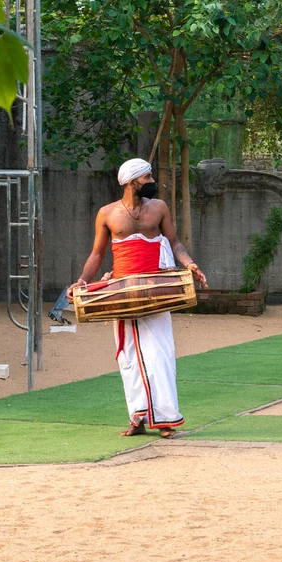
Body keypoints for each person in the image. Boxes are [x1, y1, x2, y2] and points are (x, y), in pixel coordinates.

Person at [66, 158, 207, 438]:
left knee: (160, 355)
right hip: (123, 292)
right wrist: (82, 281)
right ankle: (138, 418)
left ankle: (165, 419)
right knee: (129, 358)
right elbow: (97, 255)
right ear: (133, 182)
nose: (153, 181)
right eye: (148, 177)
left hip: (155, 291)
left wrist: (189, 263)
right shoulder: (107, 214)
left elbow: (175, 243)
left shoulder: (159, 209)